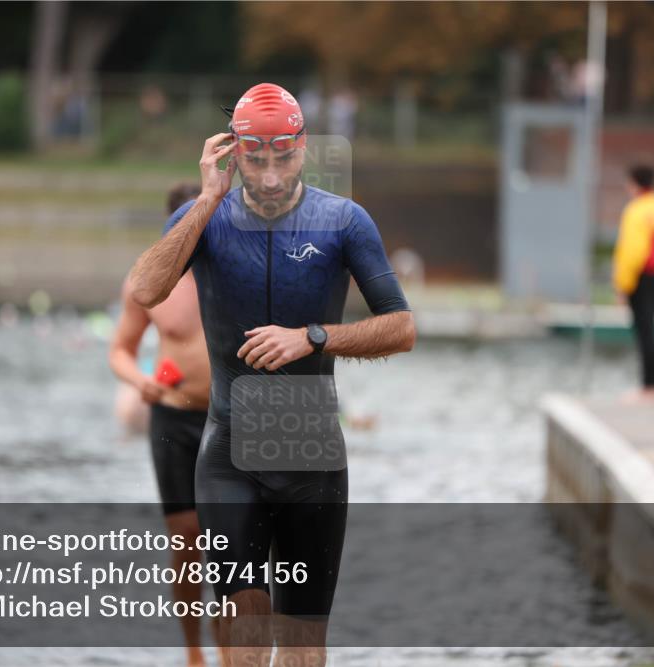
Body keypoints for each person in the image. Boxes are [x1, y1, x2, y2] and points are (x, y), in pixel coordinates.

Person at [127, 82, 416, 666]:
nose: (270, 174)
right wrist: (209, 198)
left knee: (304, 649)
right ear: (234, 151)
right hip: (230, 458)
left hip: (313, 458)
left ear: (303, 148)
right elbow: (145, 289)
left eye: (282, 156)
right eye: (255, 158)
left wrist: (312, 337)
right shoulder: (202, 218)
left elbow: (402, 328)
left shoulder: (343, 222)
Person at [109, 182, 215, 667]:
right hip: (172, 417)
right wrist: (140, 383)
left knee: (236, 536)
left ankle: (232, 645)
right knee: (187, 539)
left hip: (228, 417)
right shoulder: (149, 280)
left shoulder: (236, 270)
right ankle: (194, 651)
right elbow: (120, 350)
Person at [612, 164, 654, 403]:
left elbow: (632, 251)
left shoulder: (636, 210)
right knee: (651, 329)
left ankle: (650, 388)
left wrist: (623, 284)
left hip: (642, 277)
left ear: (634, 183)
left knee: (645, 331)